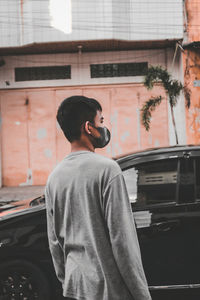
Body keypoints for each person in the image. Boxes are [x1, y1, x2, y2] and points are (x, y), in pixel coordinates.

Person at [45, 95, 151, 300]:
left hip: (75, 286)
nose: (103, 127)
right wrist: (141, 294)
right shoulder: (107, 170)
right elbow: (122, 242)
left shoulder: (54, 177)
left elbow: (54, 242)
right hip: (108, 289)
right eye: (100, 121)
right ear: (88, 127)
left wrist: (66, 280)